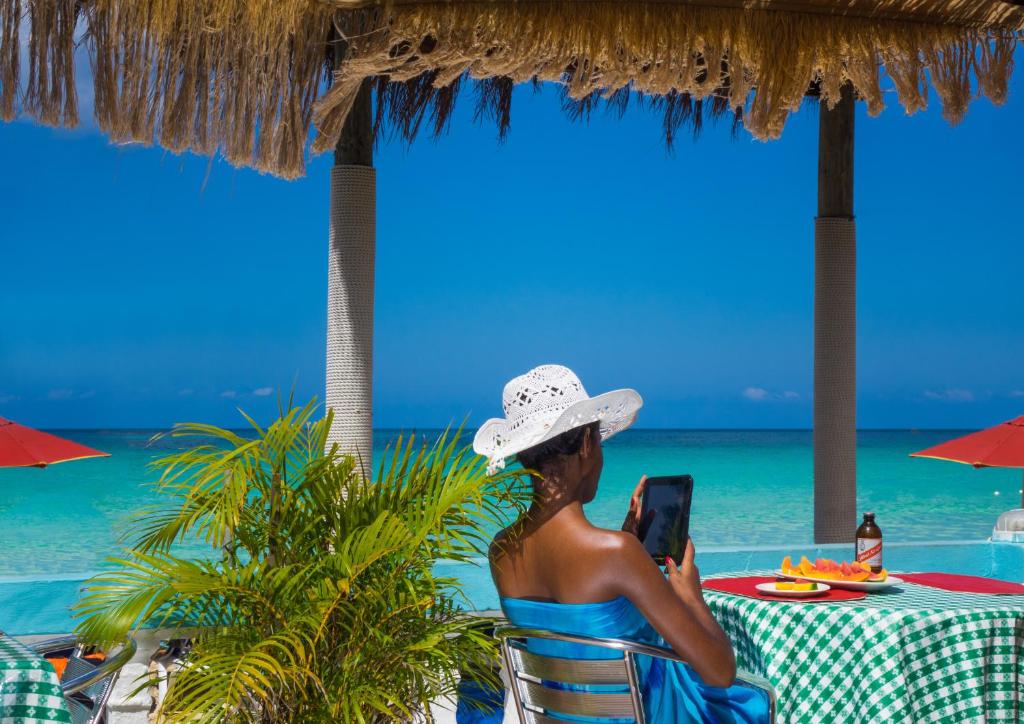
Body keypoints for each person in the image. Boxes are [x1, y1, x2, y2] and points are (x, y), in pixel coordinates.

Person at [472, 364, 770, 723]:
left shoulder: (501, 551)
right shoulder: (616, 555)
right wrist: (691, 595)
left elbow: (572, 632)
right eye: (598, 440)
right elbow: (720, 670)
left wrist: (626, 545)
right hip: (649, 714)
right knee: (752, 699)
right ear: (586, 445)